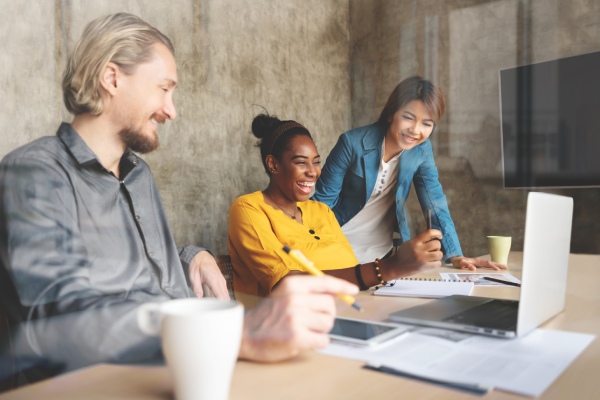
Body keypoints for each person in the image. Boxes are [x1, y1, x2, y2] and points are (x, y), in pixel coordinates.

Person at [0, 13, 358, 383]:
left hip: (180, 368)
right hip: (93, 383)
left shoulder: (137, 175)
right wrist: (231, 335)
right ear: (112, 78)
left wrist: (190, 255)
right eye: (163, 88)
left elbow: (134, 269)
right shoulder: (33, 173)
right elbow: (59, 318)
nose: (171, 111)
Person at [228, 114, 443, 298]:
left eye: (316, 161)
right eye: (301, 162)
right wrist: (387, 268)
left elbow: (349, 269)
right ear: (273, 164)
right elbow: (287, 284)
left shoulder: (321, 211)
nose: (313, 172)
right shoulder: (249, 209)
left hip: (346, 312)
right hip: (285, 329)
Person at [312, 76, 508, 271]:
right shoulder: (352, 143)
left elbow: (435, 201)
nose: (415, 130)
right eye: (408, 117)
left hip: (383, 256)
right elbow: (322, 204)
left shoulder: (421, 150)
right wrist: (315, 250)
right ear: (391, 114)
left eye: (427, 123)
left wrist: (455, 255)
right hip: (337, 249)